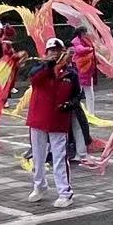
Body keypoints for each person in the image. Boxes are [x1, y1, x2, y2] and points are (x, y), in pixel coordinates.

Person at [26, 38, 79, 208]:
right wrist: (48, 65)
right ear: (46, 52)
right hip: (38, 118)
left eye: (57, 50)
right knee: (38, 156)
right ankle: (39, 186)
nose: (54, 53)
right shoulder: (40, 68)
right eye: (51, 50)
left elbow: (77, 95)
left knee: (59, 157)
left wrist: (71, 104)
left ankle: (65, 193)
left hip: (58, 119)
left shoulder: (70, 73)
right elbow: (34, 80)